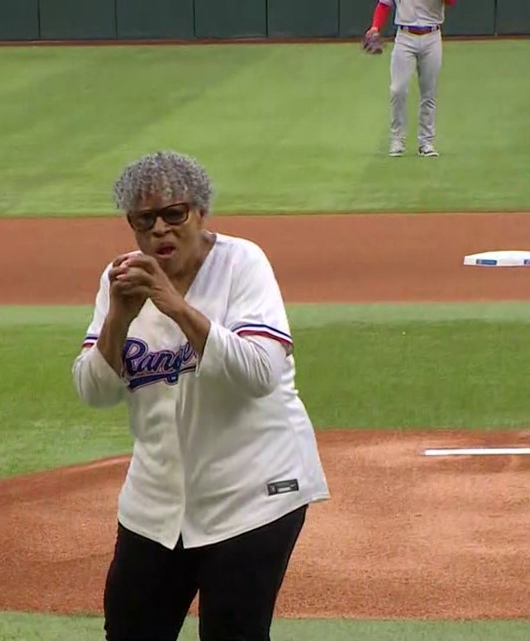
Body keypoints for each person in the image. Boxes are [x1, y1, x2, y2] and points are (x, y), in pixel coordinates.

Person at [71, 150, 330, 641]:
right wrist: (117, 319)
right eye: (146, 220)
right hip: (156, 501)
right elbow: (93, 391)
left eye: (175, 214)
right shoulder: (121, 282)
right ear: (131, 225)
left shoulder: (242, 263)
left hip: (252, 495)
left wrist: (173, 305)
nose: (161, 231)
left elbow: (259, 372)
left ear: (201, 212)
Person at [364, 0, 456, 157]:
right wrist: (375, 27)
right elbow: (384, 5)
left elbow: (451, 2)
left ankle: (426, 142)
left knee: (429, 92)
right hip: (405, 37)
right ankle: (397, 140)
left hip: (432, 35)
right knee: (397, 89)